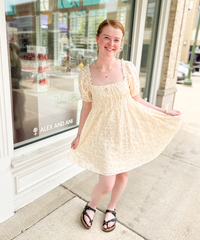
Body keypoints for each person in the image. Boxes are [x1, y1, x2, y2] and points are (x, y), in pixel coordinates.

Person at [67, 19, 183, 232]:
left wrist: (165, 111)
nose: (111, 43)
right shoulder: (86, 74)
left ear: (121, 43)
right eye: (107, 37)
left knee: (123, 175)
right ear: (98, 39)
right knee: (106, 183)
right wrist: (79, 134)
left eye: (116, 40)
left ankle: (111, 208)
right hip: (103, 134)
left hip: (126, 129)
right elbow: (86, 107)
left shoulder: (127, 68)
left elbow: (137, 100)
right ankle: (92, 204)